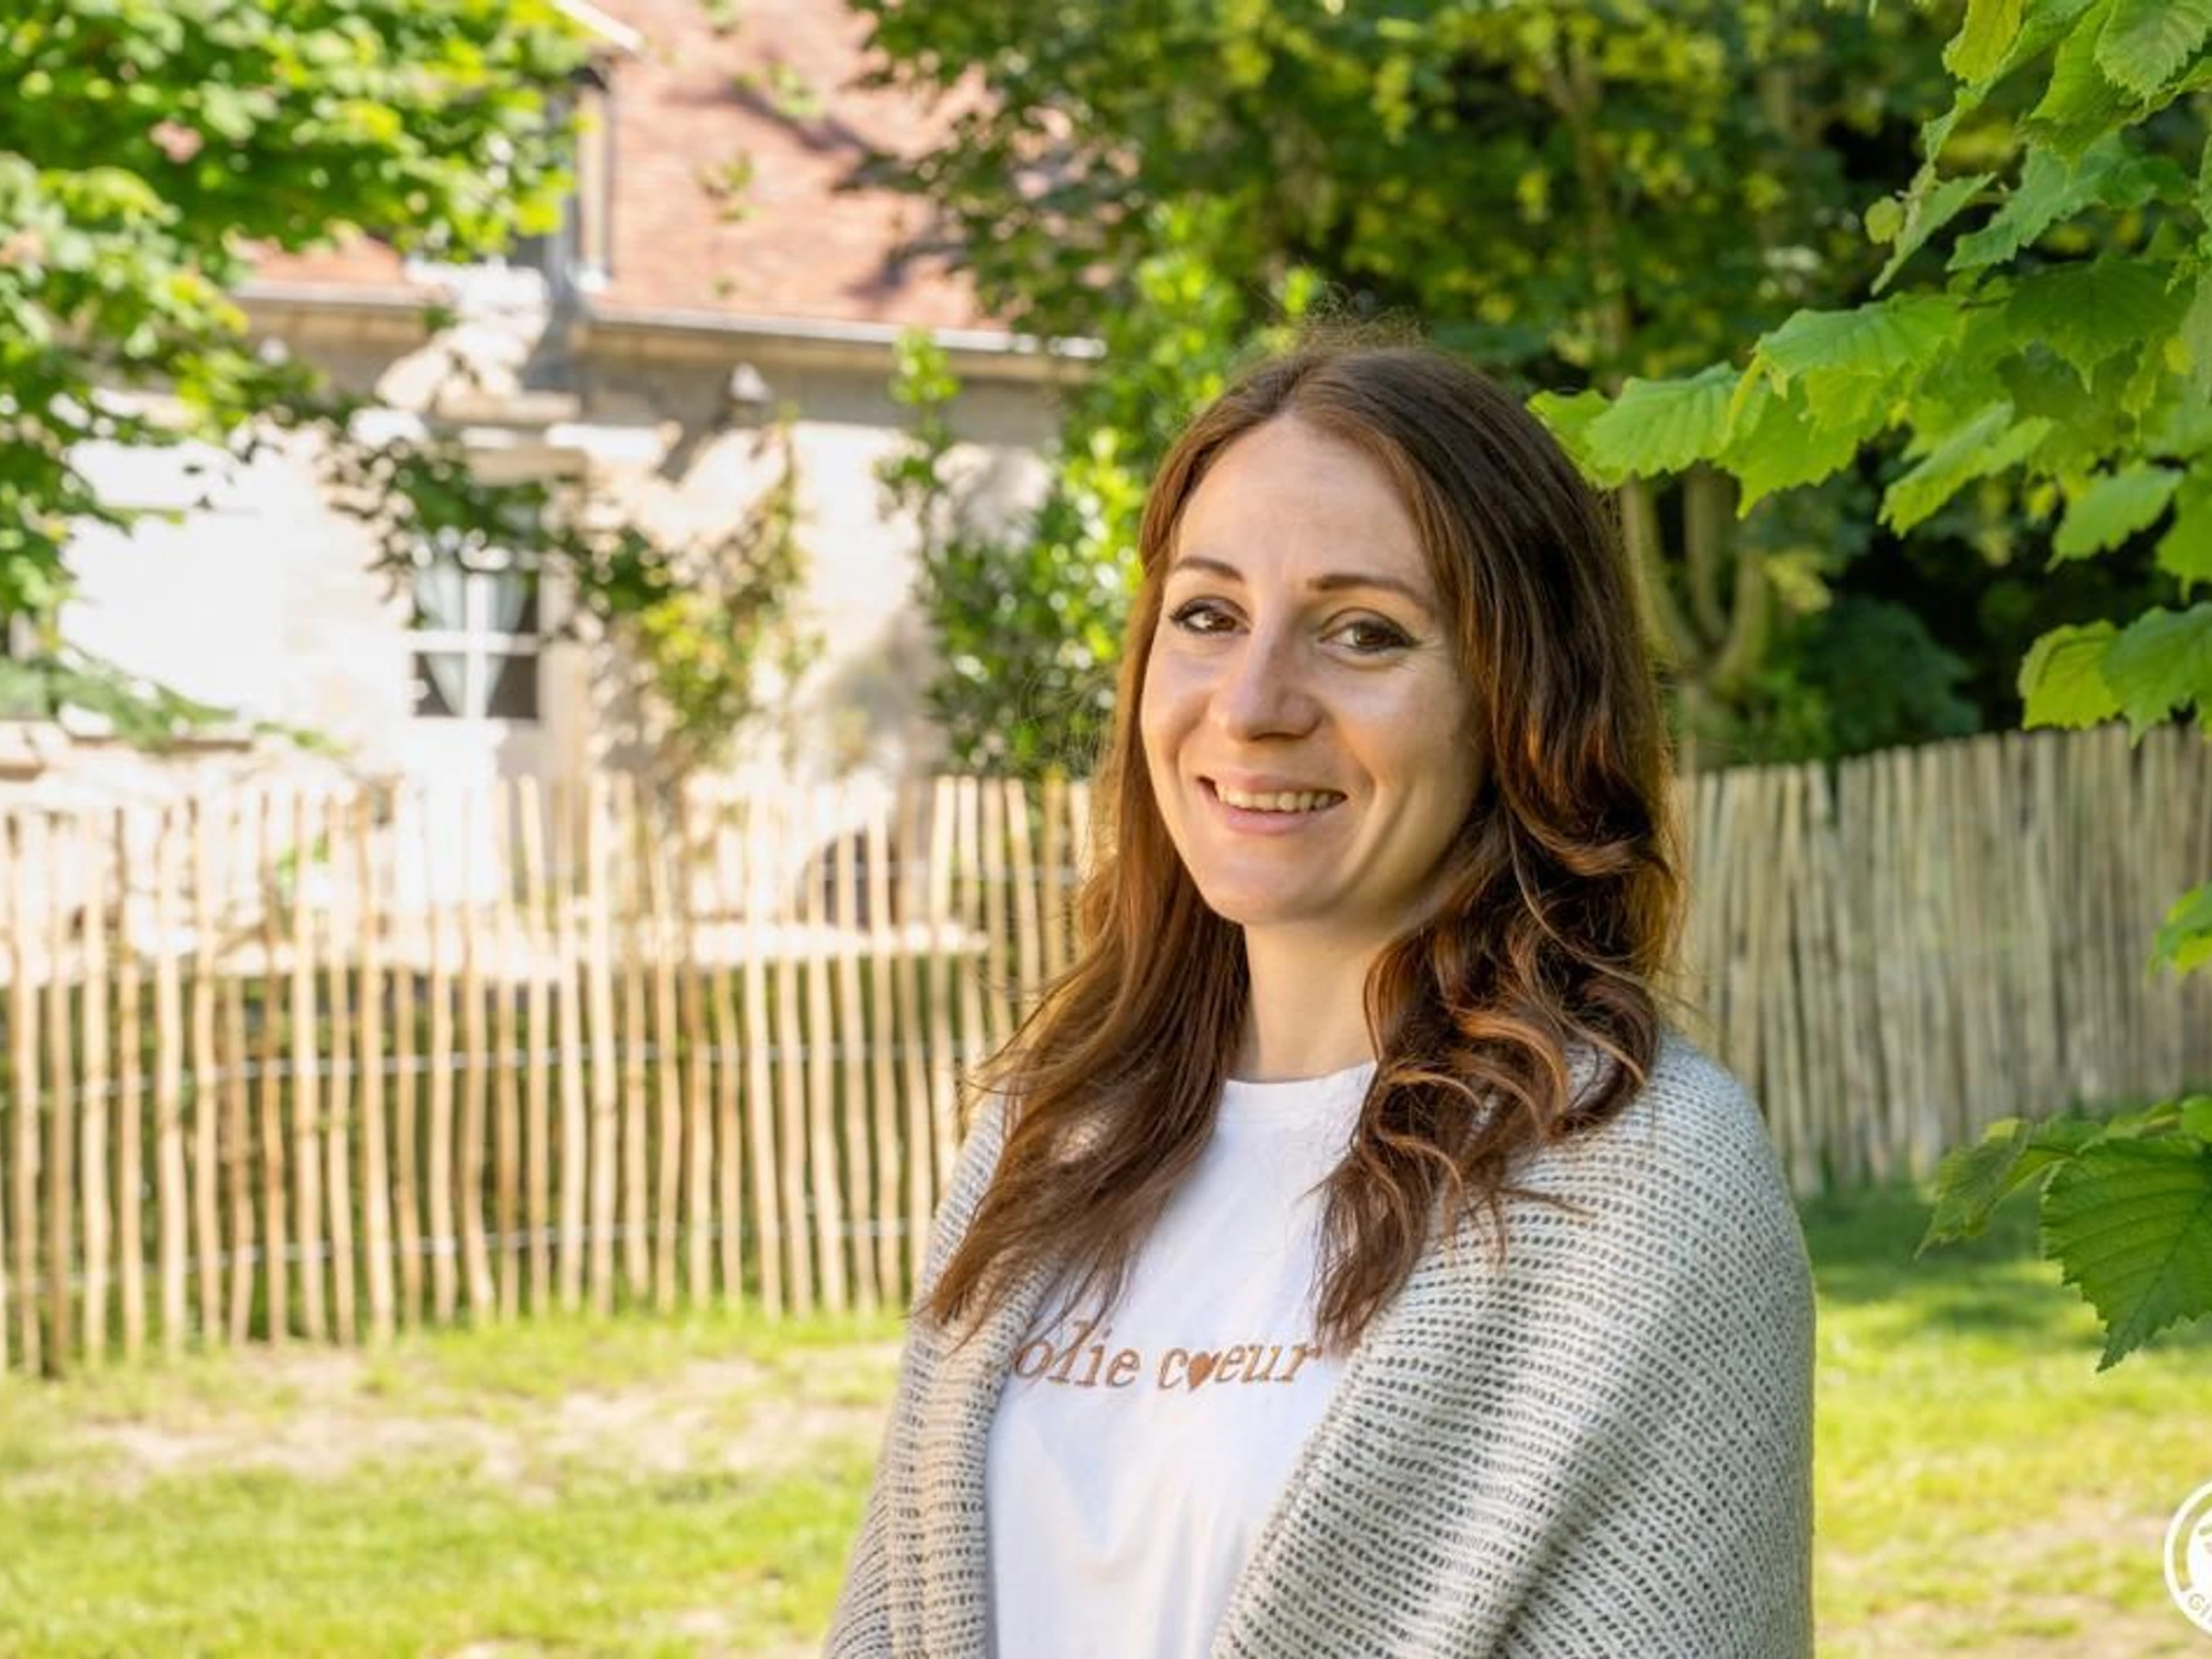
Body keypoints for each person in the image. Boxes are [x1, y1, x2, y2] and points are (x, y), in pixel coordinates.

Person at [825, 338, 1815, 1658]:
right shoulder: (1048, 1130)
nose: (1251, 706)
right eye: (1208, 615)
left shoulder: (1646, 1186)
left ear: (1519, 701)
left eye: (1364, 633)